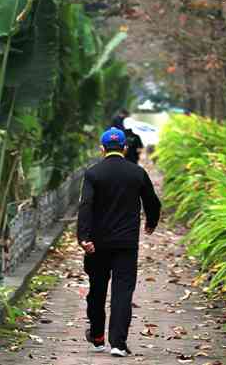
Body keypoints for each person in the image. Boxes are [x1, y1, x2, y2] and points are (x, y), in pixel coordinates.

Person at [77, 126, 161, 356]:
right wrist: (151, 221)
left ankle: (97, 337)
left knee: (97, 289)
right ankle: (118, 343)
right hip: (126, 243)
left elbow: (85, 206)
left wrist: (83, 238)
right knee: (122, 292)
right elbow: (152, 202)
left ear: (102, 149)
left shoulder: (93, 173)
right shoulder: (137, 173)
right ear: (124, 148)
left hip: (97, 244)